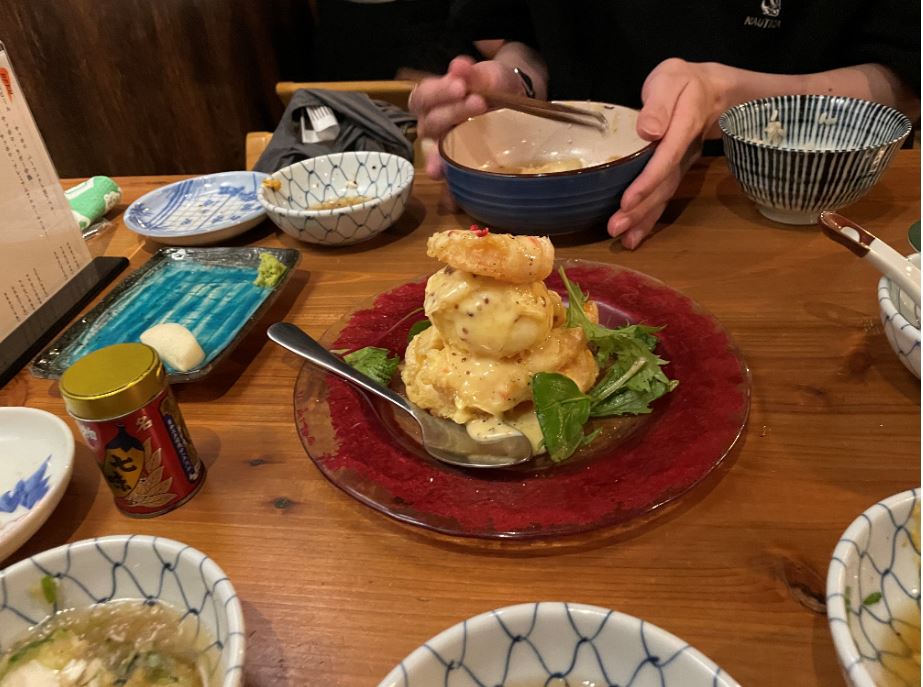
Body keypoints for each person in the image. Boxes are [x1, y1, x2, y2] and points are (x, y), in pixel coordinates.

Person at [408, 0, 921, 249]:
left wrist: (732, 99)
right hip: (558, 213)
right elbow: (522, 33)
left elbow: (903, 79)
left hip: (791, 206)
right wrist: (513, 86)